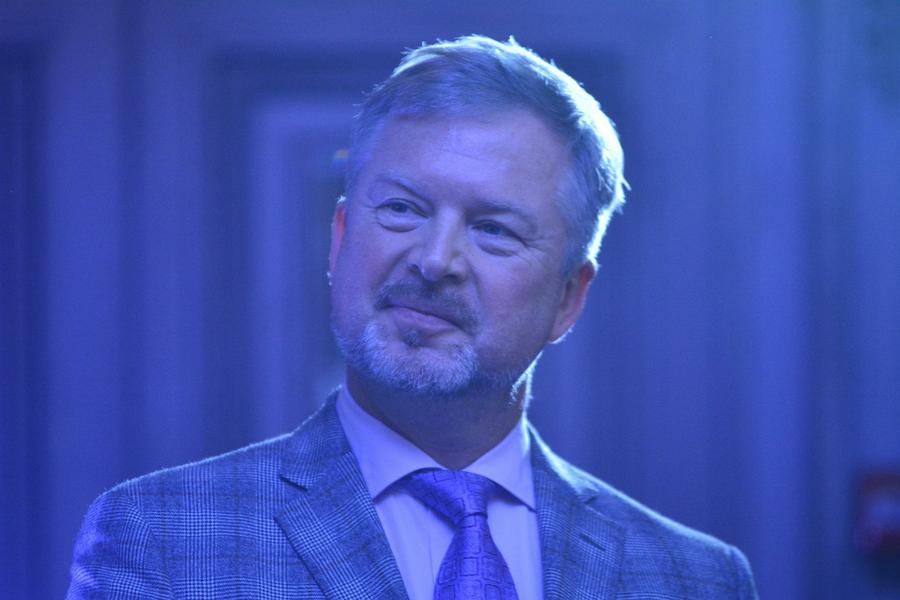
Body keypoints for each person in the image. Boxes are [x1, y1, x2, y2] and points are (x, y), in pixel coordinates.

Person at [68, 35, 757, 599]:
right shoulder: (163, 539)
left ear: (568, 298)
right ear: (340, 239)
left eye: (493, 230)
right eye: (402, 209)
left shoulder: (694, 580)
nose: (433, 260)